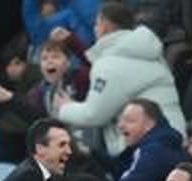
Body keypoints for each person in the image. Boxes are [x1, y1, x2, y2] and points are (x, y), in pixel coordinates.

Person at [55, 1, 185, 161]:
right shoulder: (145, 51)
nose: (94, 29)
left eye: (96, 24)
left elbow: (94, 114)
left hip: (151, 147)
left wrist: (64, 108)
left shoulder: (110, 64)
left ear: (104, 27)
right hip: (174, 136)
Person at [105, 98, 188, 181]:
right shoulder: (157, 145)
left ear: (150, 125)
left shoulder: (154, 150)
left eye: (130, 121)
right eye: (120, 120)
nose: (120, 126)